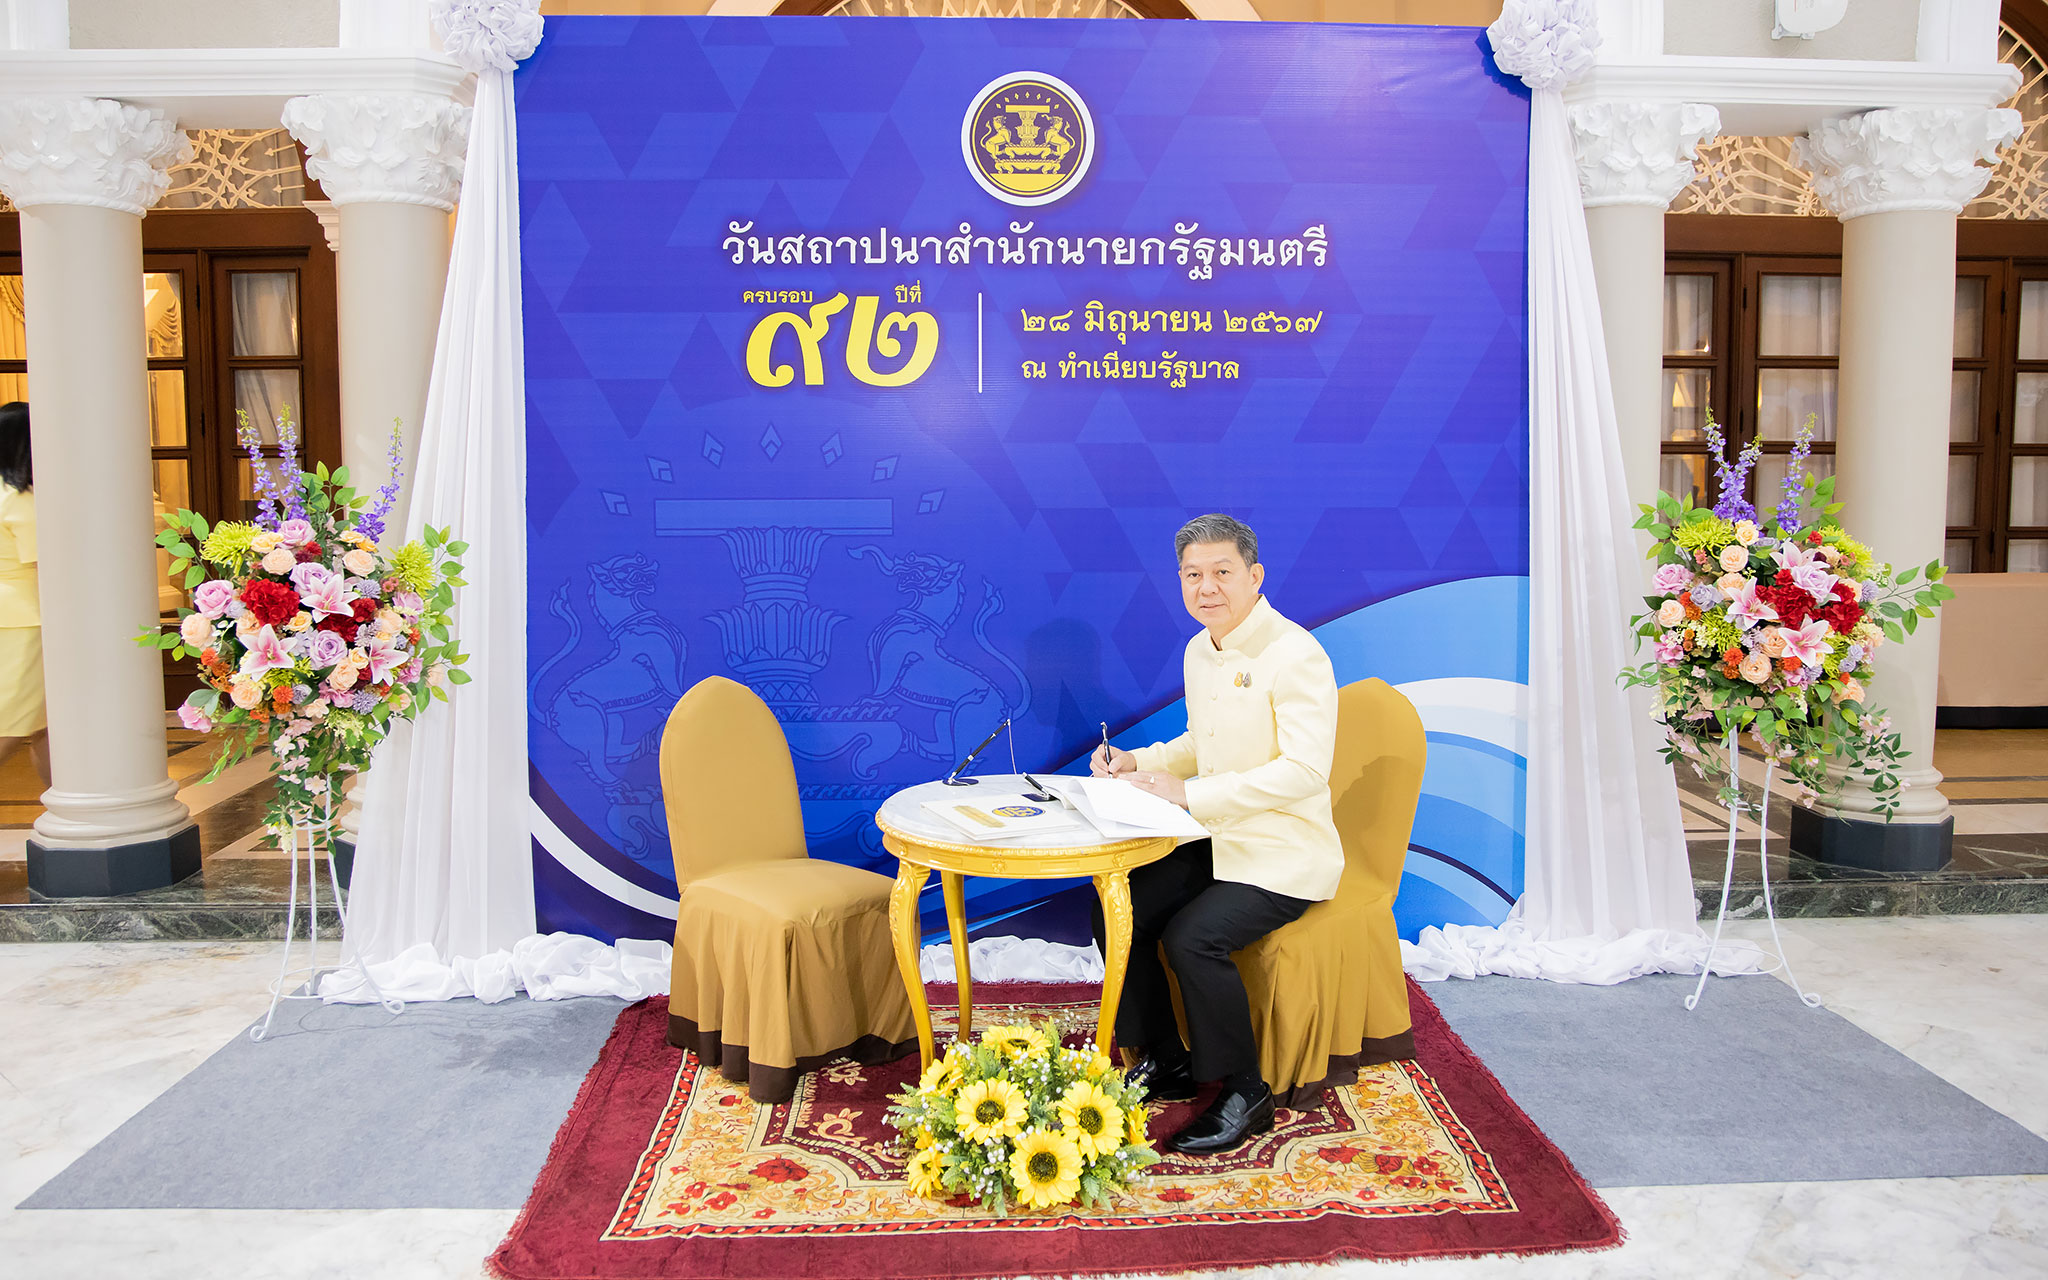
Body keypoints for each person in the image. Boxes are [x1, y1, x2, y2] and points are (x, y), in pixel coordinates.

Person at [1090, 513, 1342, 1155]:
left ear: (1255, 576)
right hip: (1219, 836)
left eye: (1222, 572)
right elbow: (1201, 745)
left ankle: (1246, 1090)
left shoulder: (1296, 654)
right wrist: (1137, 761)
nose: (1207, 588)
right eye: (1193, 575)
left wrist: (1189, 795)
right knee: (1117, 907)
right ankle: (1166, 1058)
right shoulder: (1200, 650)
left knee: (1192, 937)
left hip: (1283, 848)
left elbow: (1305, 771)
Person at [0, 402, 47, 788]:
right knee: (14, 722)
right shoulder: (21, 499)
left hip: (11, 614)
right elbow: (43, 565)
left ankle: (62, 804)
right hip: (27, 617)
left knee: (45, 723)